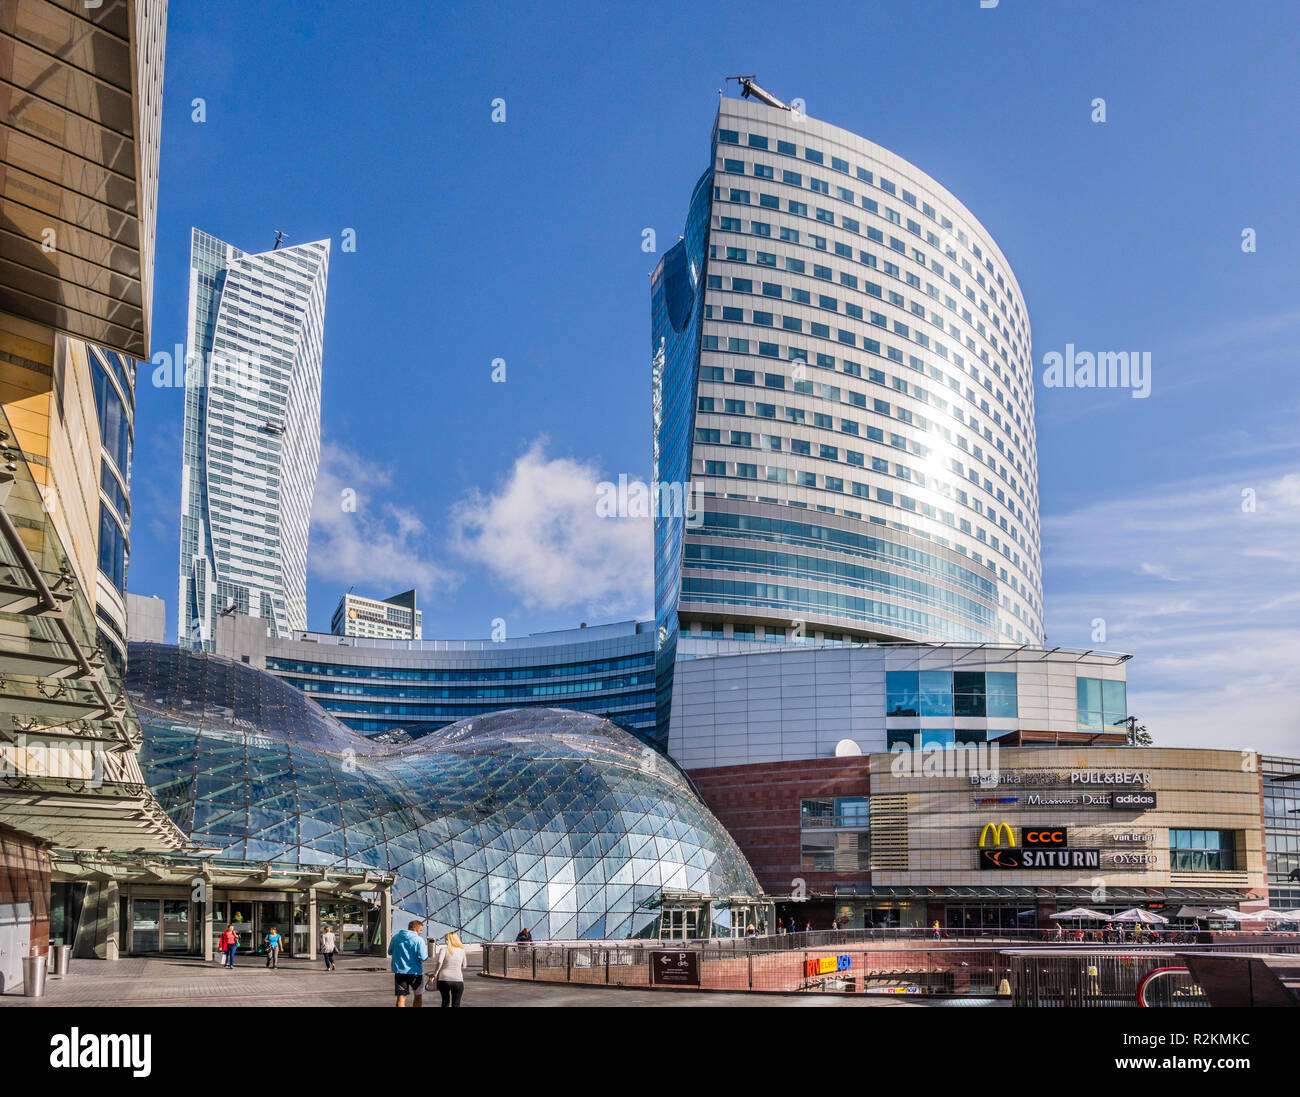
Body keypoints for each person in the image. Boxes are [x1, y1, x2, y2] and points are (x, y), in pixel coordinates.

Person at [388, 919, 429, 1007]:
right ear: (415, 929)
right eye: (420, 930)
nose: (421, 932)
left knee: (401, 998)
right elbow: (423, 957)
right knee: (418, 996)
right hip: (415, 972)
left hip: (399, 972)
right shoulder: (419, 940)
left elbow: (390, 952)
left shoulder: (396, 937)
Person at [432, 931, 468, 1008]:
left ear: (448, 940)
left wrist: (435, 974)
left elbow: (439, 962)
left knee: (445, 1002)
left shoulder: (444, 949)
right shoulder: (462, 950)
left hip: (444, 979)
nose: (445, 941)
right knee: (456, 1004)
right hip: (458, 980)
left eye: (446, 939)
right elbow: (464, 965)